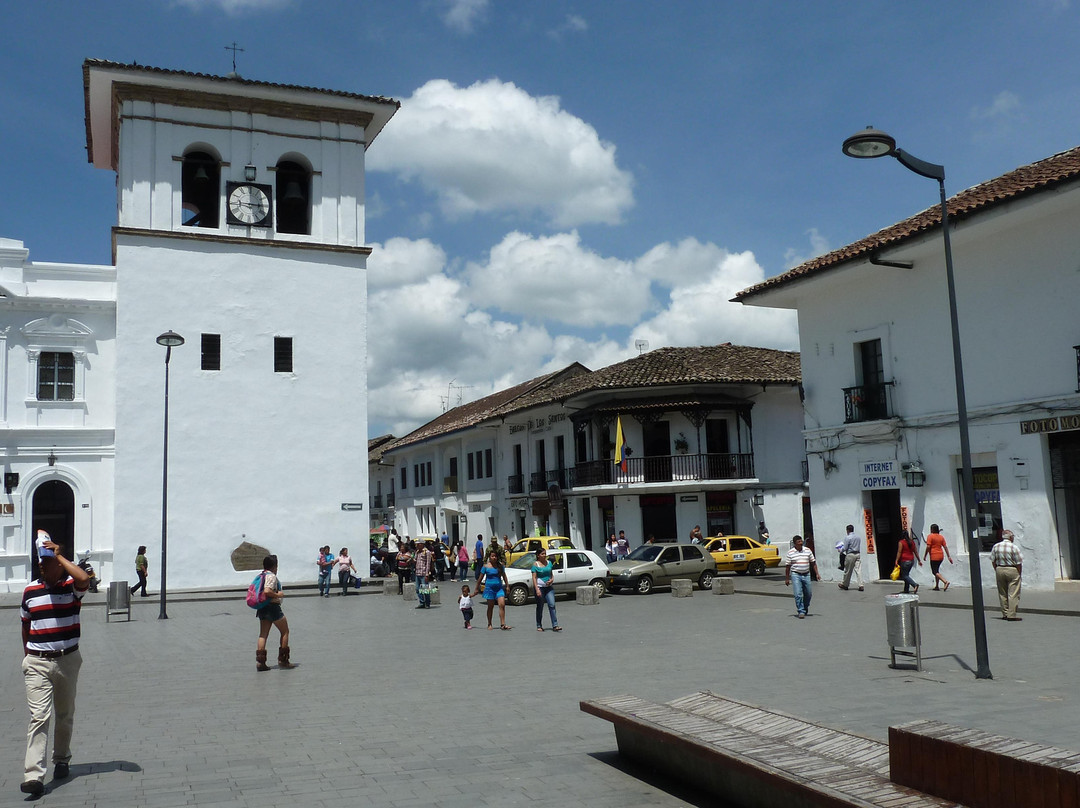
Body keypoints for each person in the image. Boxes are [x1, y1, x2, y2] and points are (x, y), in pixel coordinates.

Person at [20, 531, 90, 796]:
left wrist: (59, 553)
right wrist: (27, 656)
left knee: (64, 714)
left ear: (60, 564)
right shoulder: (30, 591)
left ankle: (61, 758)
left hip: (68, 660)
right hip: (38, 661)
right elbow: (25, 625)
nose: (41, 564)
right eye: (40, 561)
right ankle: (34, 775)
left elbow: (84, 578)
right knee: (39, 716)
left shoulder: (71, 590)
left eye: (46, 561)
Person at [255, 554, 295, 672]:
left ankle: (260, 662)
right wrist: (278, 595)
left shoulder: (262, 575)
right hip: (273, 607)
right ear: (274, 566)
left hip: (262, 607)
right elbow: (267, 591)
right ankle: (283, 660)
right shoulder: (271, 576)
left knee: (263, 634)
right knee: (285, 631)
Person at [474, 549, 513, 630]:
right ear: (489, 557)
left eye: (495, 556)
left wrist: (507, 586)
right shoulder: (485, 567)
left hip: (499, 588)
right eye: (492, 556)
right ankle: (489, 623)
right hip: (489, 589)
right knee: (490, 606)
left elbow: (504, 576)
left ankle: (503, 624)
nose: (494, 558)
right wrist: (476, 588)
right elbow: (480, 578)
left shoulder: (500, 566)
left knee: (502, 605)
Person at [990, 529, 1023, 620]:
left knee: (1002, 592)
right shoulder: (1014, 547)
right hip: (1012, 569)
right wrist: (1019, 573)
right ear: (1011, 537)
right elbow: (1019, 562)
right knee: (1013, 593)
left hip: (999, 568)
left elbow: (993, 560)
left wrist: (996, 569)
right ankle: (1011, 615)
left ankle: (1005, 613)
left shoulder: (996, 546)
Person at [784, 534, 818, 619]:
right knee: (798, 594)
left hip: (806, 574)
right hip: (796, 574)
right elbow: (788, 566)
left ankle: (805, 607)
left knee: (808, 593)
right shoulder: (790, 553)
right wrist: (787, 578)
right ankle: (801, 610)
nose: (800, 543)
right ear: (795, 544)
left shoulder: (807, 550)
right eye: (798, 542)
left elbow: (813, 563)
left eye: (801, 541)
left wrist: (817, 573)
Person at [532, 548, 561, 632]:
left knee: (552, 604)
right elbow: (534, 578)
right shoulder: (535, 565)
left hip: (548, 587)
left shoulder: (549, 563)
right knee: (540, 606)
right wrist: (537, 589)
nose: (544, 555)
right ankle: (539, 625)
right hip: (540, 587)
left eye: (545, 554)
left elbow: (551, 574)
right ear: (538, 555)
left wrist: (552, 580)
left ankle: (555, 625)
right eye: (542, 554)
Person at [923, 524, 953, 591]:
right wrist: (949, 556)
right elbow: (945, 547)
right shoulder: (941, 537)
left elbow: (928, 547)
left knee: (934, 571)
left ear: (932, 529)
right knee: (937, 571)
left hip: (934, 556)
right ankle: (937, 586)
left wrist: (925, 555)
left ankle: (945, 582)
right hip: (941, 556)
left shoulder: (930, 536)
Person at [894, 530, 922, 595]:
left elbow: (899, 552)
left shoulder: (901, 542)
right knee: (906, 574)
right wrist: (919, 560)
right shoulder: (911, 542)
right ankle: (906, 589)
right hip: (911, 560)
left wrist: (896, 560)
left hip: (904, 560)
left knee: (904, 575)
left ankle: (914, 585)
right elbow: (915, 552)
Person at [837, 525, 864, 591]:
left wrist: (840, 550)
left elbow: (845, 548)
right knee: (858, 570)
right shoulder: (858, 537)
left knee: (848, 570)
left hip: (850, 555)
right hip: (857, 554)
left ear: (847, 530)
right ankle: (861, 585)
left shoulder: (848, 538)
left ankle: (845, 584)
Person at [414, 541, 433, 609]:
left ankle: (427, 603)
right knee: (417, 589)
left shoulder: (427, 552)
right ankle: (422, 602)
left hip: (424, 573)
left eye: (418, 544)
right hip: (417, 572)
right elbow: (415, 560)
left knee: (425, 589)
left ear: (422, 544)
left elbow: (428, 563)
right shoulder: (417, 552)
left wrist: (427, 574)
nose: (417, 546)